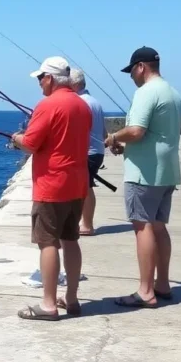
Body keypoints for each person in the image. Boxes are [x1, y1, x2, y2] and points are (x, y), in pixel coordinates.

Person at [11, 56, 91, 320]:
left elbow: (31, 143)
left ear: (50, 78)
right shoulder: (82, 105)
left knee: (47, 243)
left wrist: (16, 138)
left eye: (40, 78)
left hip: (52, 185)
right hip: (77, 183)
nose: (39, 83)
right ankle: (72, 298)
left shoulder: (47, 105)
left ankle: (48, 305)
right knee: (71, 240)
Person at [104, 47, 181, 308]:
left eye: (131, 71)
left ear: (141, 67)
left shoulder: (145, 92)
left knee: (142, 226)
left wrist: (114, 137)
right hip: (167, 170)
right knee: (159, 226)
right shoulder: (173, 93)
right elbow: (155, 135)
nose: (131, 77)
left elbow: (137, 130)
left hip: (144, 173)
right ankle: (163, 283)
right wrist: (126, 148)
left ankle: (145, 290)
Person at [70, 68, 107, 236]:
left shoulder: (80, 103)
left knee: (85, 188)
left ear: (76, 84)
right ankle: (85, 223)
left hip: (88, 152)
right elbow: (104, 131)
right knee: (85, 186)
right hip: (97, 151)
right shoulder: (95, 101)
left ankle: (87, 225)